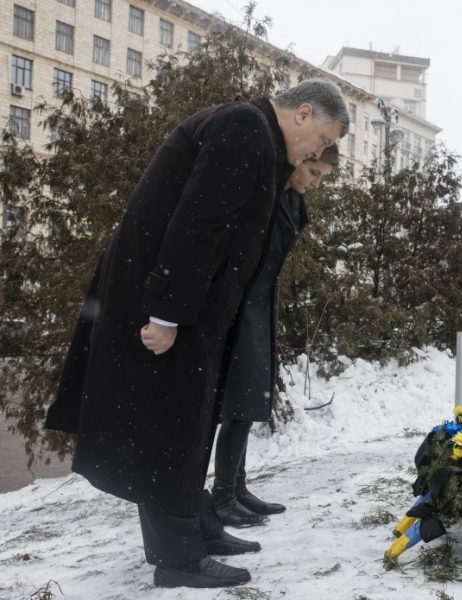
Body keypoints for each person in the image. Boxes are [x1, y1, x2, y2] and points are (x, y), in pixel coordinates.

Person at [44, 79, 349, 589]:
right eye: (322, 140)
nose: (319, 153)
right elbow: (199, 222)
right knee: (172, 422)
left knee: (185, 418)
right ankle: (178, 558)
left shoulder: (256, 135)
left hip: (189, 306)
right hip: (166, 304)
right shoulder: (245, 127)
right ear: (302, 113)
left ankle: (192, 525)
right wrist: (166, 315)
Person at [212, 145, 340, 528]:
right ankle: (222, 498)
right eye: (314, 173)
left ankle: (236, 489)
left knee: (250, 398)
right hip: (241, 307)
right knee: (239, 403)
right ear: (299, 160)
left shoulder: (289, 199)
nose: (316, 184)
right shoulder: (265, 195)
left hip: (261, 304)